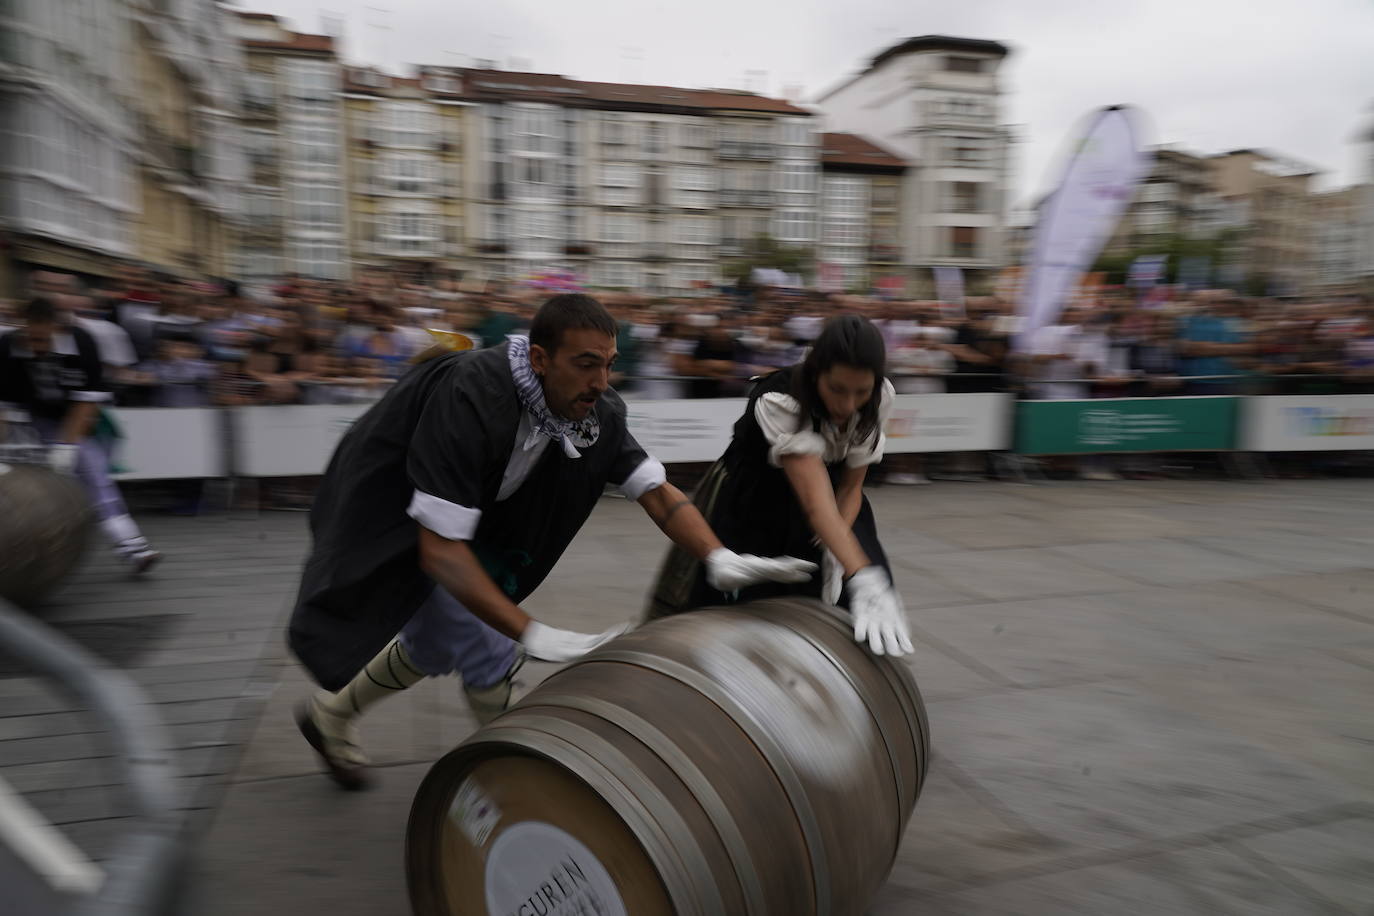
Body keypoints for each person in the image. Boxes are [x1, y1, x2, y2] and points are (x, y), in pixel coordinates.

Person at [289, 293, 816, 789]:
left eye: (609, 364)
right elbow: (440, 550)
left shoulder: (595, 409)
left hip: (455, 523)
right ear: (539, 359)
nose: (601, 381)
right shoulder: (472, 390)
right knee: (488, 649)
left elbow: (654, 490)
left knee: (438, 641)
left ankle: (330, 716)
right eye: (586, 364)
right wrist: (528, 632)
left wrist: (716, 554)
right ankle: (524, 790)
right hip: (387, 513)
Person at [647, 314, 914, 658]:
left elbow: (849, 488)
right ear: (817, 371)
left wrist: (840, 554)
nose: (848, 406)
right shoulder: (779, 400)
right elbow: (816, 505)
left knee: (859, 602)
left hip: (831, 499)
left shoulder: (880, 396)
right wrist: (860, 571)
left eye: (860, 392)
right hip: (757, 502)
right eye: (837, 389)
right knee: (752, 615)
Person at [0, 297, 160, 572]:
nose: (37, 348)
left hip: (72, 417)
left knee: (95, 476)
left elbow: (86, 404)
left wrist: (65, 448)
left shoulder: (83, 343)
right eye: (32, 339)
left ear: (56, 328)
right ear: (22, 326)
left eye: (43, 340)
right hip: (23, 416)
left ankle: (132, 547)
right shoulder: (5, 347)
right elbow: (1, 408)